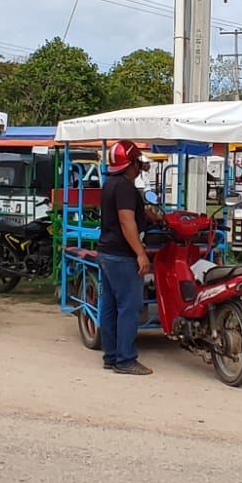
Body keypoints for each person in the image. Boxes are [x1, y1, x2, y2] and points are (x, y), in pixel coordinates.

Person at [96, 139, 152, 376]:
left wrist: (151, 215)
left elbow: (129, 213)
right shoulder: (127, 188)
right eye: (137, 162)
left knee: (110, 306)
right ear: (130, 163)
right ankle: (125, 359)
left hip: (106, 252)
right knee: (130, 307)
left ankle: (111, 356)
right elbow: (126, 220)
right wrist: (140, 253)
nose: (139, 166)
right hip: (122, 255)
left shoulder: (110, 184)